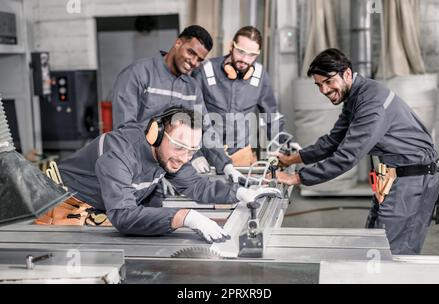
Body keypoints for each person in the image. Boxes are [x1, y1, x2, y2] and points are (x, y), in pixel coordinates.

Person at [272, 48, 439, 255]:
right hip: (395, 178)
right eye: (319, 85)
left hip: (413, 182)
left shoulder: (371, 103)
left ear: (346, 73)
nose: (324, 90)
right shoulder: (356, 96)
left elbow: (346, 157)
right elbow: (333, 141)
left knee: (391, 253)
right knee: (373, 246)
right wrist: (291, 160)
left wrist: (296, 178)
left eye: (328, 81)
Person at [58, 107, 281, 243]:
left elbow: (197, 186)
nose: (185, 158)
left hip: (99, 209)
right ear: (156, 134)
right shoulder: (120, 153)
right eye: (180, 147)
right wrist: (184, 216)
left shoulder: (169, 154)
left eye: (192, 151)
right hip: (61, 208)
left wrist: (241, 193)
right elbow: (124, 216)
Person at [111, 25, 244, 183]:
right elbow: (126, 131)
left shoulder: (191, 88)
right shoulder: (138, 74)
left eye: (200, 59)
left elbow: (205, 129)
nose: (194, 62)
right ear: (178, 43)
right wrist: (155, 169)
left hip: (171, 173)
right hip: (135, 174)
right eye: (191, 52)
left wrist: (226, 166)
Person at [192, 26, 296, 165]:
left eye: (252, 55)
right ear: (231, 46)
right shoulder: (205, 71)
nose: (245, 59)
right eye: (241, 52)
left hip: (241, 156)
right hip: (207, 156)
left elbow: (271, 117)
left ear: (258, 54)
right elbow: (192, 117)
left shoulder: (259, 75)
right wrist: (195, 155)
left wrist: (287, 143)